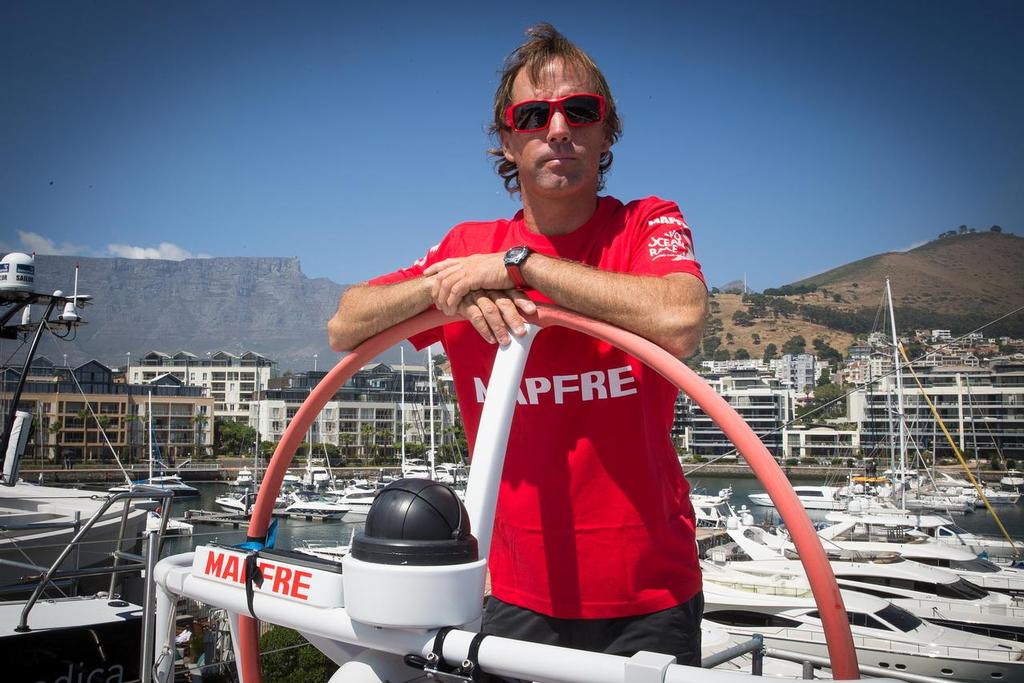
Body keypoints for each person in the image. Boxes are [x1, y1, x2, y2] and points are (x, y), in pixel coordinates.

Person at [328, 23, 707, 666]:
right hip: (514, 593)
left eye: (579, 111)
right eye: (533, 115)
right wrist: (447, 288)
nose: (558, 130)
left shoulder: (646, 223)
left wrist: (517, 266)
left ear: (606, 130)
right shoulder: (463, 250)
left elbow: (680, 318)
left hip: (651, 595)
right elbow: (346, 325)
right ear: (508, 141)